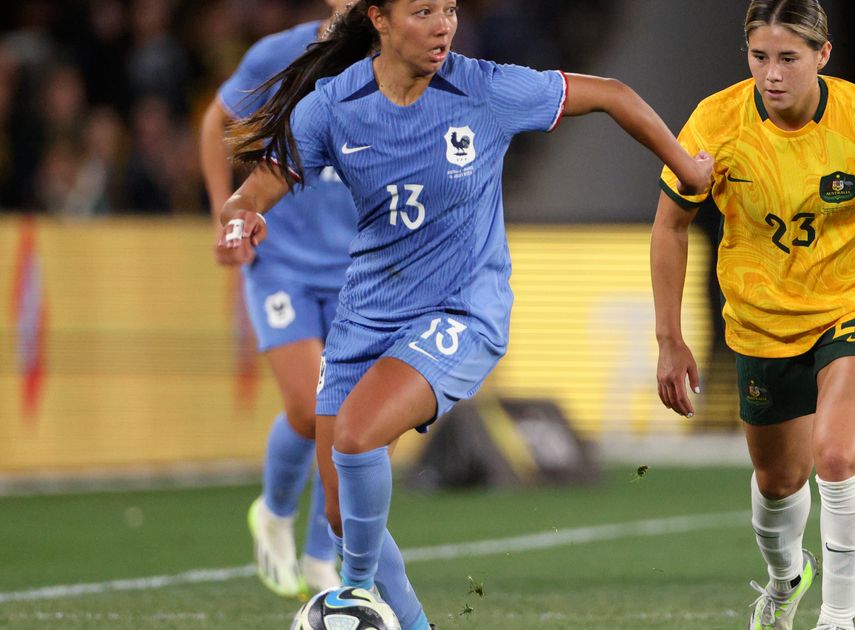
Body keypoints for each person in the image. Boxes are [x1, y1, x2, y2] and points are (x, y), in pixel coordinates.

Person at [217, 1, 713, 627]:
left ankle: (356, 597)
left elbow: (612, 93)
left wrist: (686, 164)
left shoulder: (484, 89)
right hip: (365, 318)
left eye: (449, 8)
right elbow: (258, 188)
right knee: (343, 513)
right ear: (380, 20)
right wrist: (241, 218)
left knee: (356, 435)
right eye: (423, 11)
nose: (444, 24)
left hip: (462, 311)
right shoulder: (332, 106)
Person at [652, 2, 855, 629]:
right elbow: (671, 224)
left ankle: (837, 621)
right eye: (759, 58)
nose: (772, 75)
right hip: (761, 323)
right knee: (779, 480)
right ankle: (785, 579)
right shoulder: (716, 122)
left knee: (836, 454)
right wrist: (670, 339)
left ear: (823, 55)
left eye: (788, 58)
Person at [198, 1, 354, 601]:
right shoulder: (277, 54)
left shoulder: (395, 65)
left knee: (354, 421)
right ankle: (275, 510)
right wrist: (226, 211)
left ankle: (321, 553)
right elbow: (217, 123)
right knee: (310, 407)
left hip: (357, 270)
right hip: (281, 261)